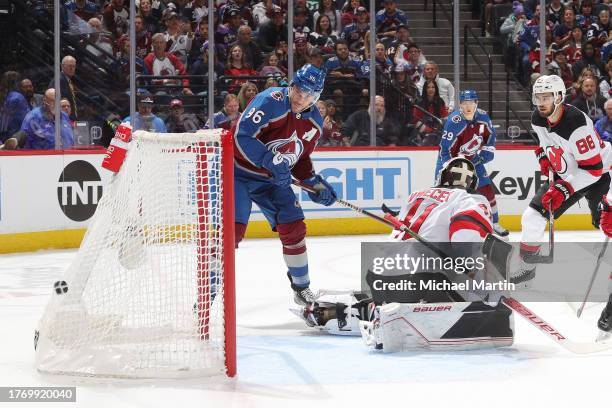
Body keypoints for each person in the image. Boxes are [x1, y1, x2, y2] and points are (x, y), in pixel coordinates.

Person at [293, 158, 513, 350]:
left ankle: (344, 308)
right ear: (472, 184)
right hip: (418, 280)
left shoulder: (418, 195)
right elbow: (465, 241)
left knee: (395, 293)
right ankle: (387, 314)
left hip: (378, 274)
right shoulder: (469, 200)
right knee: (472, 299)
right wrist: (485, 283)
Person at [233, 64, 336, 306]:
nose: (301, 97)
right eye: (298, 90)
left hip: (270, 180)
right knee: (230, 233)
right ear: (292, 85)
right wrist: (270, 161)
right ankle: (209, 295)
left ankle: (301, 288)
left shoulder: (314, 123)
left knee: (294, 224)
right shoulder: (271, 100)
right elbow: (242, 136)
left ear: (317, 96)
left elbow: (298, 158)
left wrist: (313, 183)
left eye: (309, 94)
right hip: (237, 173)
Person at [510, 75, 611, 288]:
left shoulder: (577, 123)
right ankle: (528, 269)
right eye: (538, 97)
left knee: (603, 224)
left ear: (559, 97)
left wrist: (565, 189)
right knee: (532, 217)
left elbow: (592, 170)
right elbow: (544, 142)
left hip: (600, 173)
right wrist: (544, 157)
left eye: (546, 97)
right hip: (569, 173)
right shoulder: (538, 117)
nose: (541, 102)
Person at [435, 89, 508, 238]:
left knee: (487, 188)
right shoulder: (453, 122)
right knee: (444, 195)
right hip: (451, 160)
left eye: (471, 103)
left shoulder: (483, 117)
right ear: (460, 105)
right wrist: (450, 168)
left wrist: (487, 152)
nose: (468, 106)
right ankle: (437, 225)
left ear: (476, 103)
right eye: (465, 103)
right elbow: (444, 149)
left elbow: (490, 137)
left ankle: (494, 223)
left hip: (473, 159)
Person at [411, 80, 448, 146]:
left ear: (436, 89)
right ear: (425, 89)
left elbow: (445, 117)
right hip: (423, 130)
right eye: (428, 87)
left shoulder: (440, 101)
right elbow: (415, 119)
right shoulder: (419, 102)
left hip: (438, 129)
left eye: (433, 87)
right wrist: (427, 129)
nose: (431, 89)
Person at [0, 71, 30, 144]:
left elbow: (4, 124)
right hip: (15, 136)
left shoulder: (12, 97)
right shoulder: (16, 97)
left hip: (11, 136)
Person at [48, 55, 79, 120]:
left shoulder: (68, 80)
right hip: (61, 120)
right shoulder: (58, 80)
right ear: (62, 66)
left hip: (69, 119)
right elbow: (53, 102)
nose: (72, 68)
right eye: (69, 66)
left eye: (74, 66)